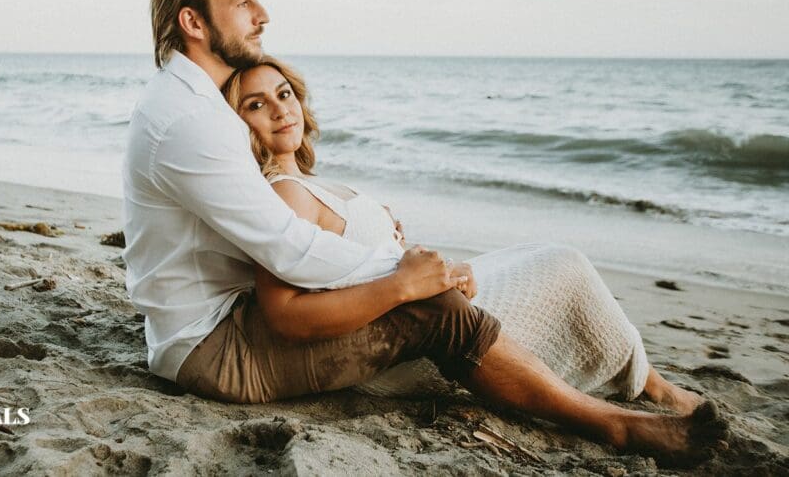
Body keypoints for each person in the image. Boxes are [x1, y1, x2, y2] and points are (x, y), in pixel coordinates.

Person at [122, 0, 725, 466]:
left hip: (211, 324)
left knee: (437, 293)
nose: (263, 14)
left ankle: (624, 392)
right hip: (213, 347)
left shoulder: (197, 108)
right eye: (244, 2)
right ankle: (615, 425)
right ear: (193, 22)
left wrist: (398, 259)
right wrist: (407, 274)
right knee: (437, 310)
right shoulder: (190, 122)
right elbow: (287, 247)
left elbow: (277, 233)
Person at [221, 55, 705, 414]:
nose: (280, 110)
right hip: (405, 347)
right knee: (565, 265)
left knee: (540, 253)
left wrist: (421, 263)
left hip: (423, 309)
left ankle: (639, 376)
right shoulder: (285, 195)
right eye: (256, 105)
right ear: (236, 125)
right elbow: (287, 312)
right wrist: (406, 279)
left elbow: (349, 264)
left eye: (284, 94)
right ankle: (651, 387)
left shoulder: (306, 183)